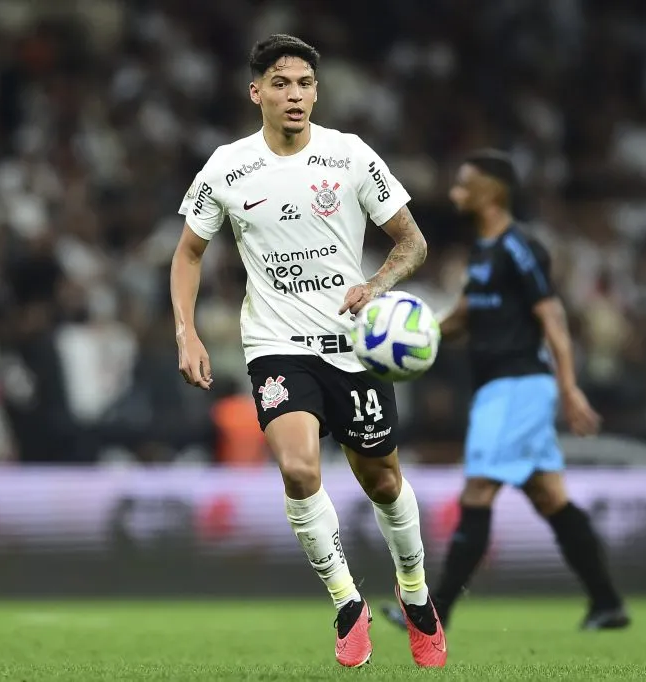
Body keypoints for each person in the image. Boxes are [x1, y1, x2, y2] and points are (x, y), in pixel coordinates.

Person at [169, 34, 446, 668]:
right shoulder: (226, 168)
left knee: (382, 481)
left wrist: (376, 285)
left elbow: (412, 241)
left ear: (316, 93)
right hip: (274, 347)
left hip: (354, 347)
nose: (295, 95)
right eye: (282, 84)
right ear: (257, 92)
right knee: (299, 470)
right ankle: (348, 603)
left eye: (304, 85)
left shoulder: (349, 157)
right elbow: (188, 252)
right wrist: (186, 331)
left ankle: (416, 596)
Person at [381, 149, 631, 632]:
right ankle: (607, 603)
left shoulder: (520, 247)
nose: (453, 192)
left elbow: (551, 315)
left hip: (518, 385)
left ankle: (433, 613)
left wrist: (570, 386)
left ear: (490, 192)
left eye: (463, 184)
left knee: (477, 491)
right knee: (549, 496)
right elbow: (460, 320)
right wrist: (410, 337)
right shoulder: (482, 252)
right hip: (504, 387)